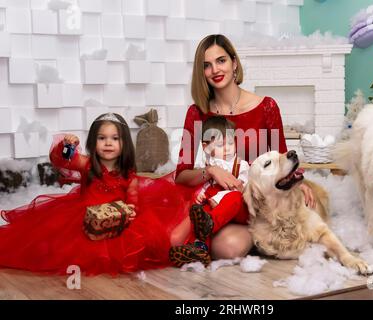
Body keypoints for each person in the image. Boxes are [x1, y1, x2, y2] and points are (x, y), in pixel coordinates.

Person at [169, 34, 316, 266]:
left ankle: (231, 234)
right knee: (198, 244)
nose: (215, 70)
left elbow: (281, 159)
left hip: (253, 201)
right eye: (206, 65)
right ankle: (206, 232)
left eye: (221, 61)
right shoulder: (196, 113)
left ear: (234, 62)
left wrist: (299, 182)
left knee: (228, 248)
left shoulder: (266, 107)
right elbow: (182, 175)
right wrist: (211, 171)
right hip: (214, 198)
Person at [0, 113, 188, 275]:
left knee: (141, 242)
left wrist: (131, 210)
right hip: (85, 216)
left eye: (115, 138)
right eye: (102, 138)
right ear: (93, 141)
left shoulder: (128, 174)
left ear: (125, 143)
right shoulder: (87, 164)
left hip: (115, 221)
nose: (108, 143)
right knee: (56, 245)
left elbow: (133, 199)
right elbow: (63, 161)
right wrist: (67, 146)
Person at [169, 116, 250, 267]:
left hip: (236, 208)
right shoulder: (208, 165)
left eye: (231, 143)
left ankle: (209, 223)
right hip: (214, 207)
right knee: (200, 213)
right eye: (220, 144)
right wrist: (201, 196)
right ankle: (199, 249)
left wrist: (236, 190)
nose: (227, 148)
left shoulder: (241, 165)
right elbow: (206, 186)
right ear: (206, 147)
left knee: (235, 197)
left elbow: (244, 188)